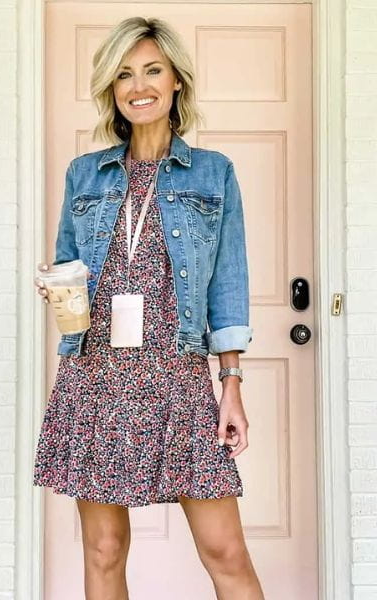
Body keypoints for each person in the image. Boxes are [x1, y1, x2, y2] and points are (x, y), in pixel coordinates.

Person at [32, 16, 263, 600]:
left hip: (177, 377)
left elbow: (227, 286)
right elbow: (68, 263)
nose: (139, 85)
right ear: (112, 89)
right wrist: (58, 287)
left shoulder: (214, 174)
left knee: (225, 550)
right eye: (124, 74)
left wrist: (230, 382)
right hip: (98, 376)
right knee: (104, 550)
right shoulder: (85, 175)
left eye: (152, 70)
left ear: (176, 82)